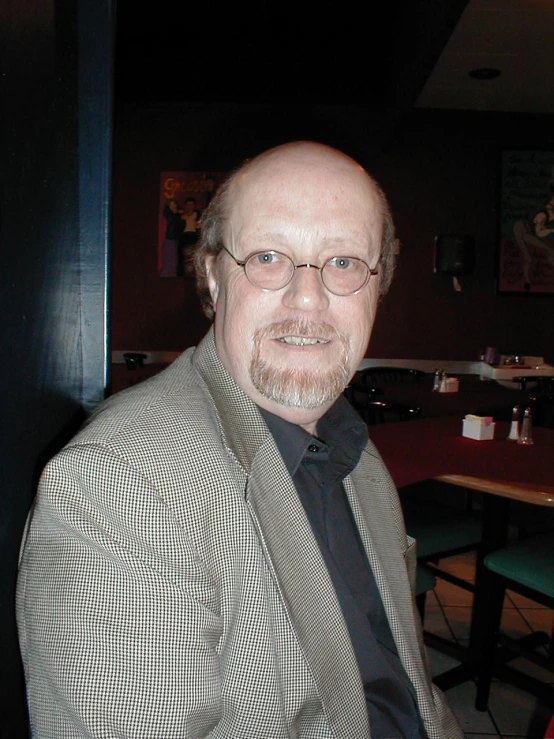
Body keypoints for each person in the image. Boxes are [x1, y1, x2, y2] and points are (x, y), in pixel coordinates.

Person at [17, 142, 462, 738]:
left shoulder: (353, 449)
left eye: (345, 263)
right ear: (212, 274)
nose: (309, 298)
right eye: (270, 256)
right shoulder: (117, 485)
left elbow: (404, 685)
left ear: (378, 285)